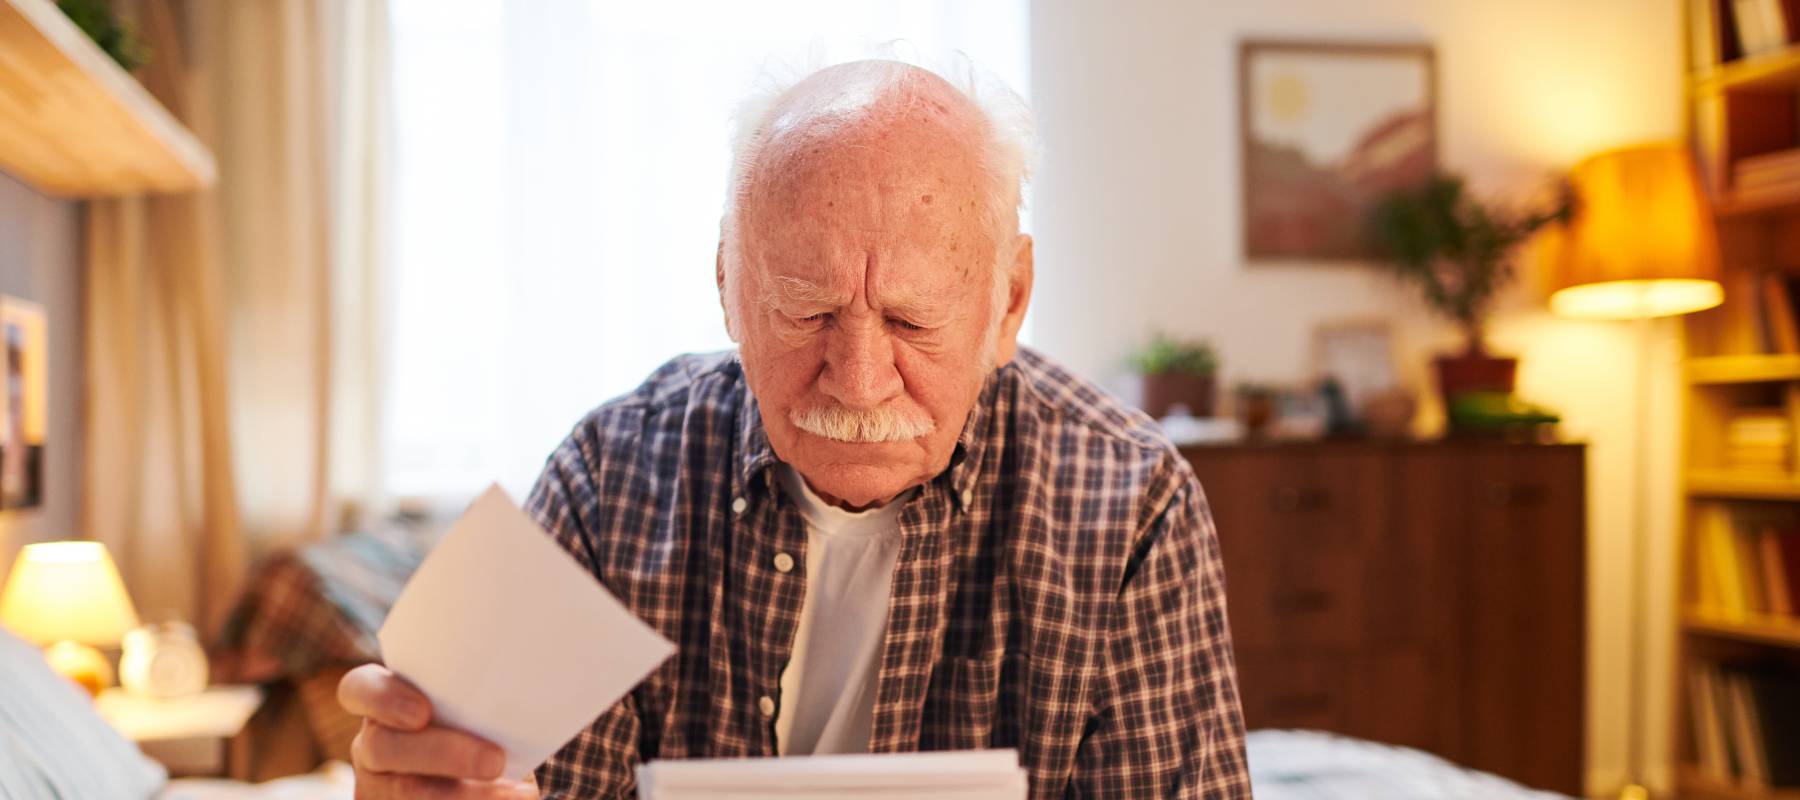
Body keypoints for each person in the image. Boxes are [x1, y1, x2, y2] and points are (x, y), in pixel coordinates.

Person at [339, 58, 1249, 799]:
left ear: (1008, 302)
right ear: (729, 284)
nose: (857, 381)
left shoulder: (1132, 503)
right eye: (805, 311)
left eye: (912, 321)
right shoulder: (606, 481)